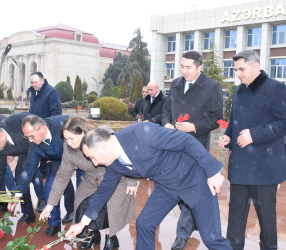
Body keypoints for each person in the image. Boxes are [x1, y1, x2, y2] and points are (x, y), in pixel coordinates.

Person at [66, 124, 232, 250]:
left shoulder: (141, 133)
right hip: (166, 185)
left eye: (93, 157)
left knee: (211, 238)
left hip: (194, 179)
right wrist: (83, 223)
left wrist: (212, 172)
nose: (95, 164)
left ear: (103, 145)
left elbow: (186, 141)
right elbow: (103, 192)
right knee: (145, 224)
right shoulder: (114, 163)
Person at [218, 50, 286, 250]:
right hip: (240, 166)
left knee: (266, 218)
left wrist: (254, 135)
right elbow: (234, 122)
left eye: (241, 68)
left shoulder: (277, 88)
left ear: (256, 66)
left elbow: (283, 122)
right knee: (235, 216)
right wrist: (228, 137)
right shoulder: (239, 91)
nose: (238, 73)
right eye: (236, 69)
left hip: (265, 167)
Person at [39, 116, 137, 249]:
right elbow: (62, 175)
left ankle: (111, 236)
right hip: (91, 180)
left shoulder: (102, 134)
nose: (68, 143)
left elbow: (125, 153)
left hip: (116, 178)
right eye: (65, 139)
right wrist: (50, 205)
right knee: (82, 203)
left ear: (83, 133)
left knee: (108, 205)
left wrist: (131, 179)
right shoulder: (69, 148)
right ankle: (92, 234)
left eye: (71, 138)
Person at [161, 50, 223, 250]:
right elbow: (166, 109)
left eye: (188, 67)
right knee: (175, 187)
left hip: (196, 147)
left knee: (190, 188)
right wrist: (167, 123)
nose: (184, 71)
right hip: (173, 146)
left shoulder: (212, 86)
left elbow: (216, 117)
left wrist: (194, 126)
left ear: (199, 67)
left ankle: (182, 234)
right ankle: (193, 221)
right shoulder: (176, 84)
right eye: (182, 66)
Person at [7, 114, 75, 236]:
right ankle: (54, 224)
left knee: (83, 189)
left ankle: (79, 219)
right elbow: (29, 170)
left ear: (42, 128)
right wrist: (17, 194)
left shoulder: (64, 127)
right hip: (56, 159)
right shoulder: (33, 142)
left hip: (78, 156)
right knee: (51, 186)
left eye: (32, 136)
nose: (30, 141)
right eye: (27, 137)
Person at [28, 71, 76, 220]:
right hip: (39, 140)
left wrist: (49, 144)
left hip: (50, 139)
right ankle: (45, 200)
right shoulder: (34, 93)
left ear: (43, 80)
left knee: (60, 175)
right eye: (31, 82)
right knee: (44, 174)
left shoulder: (52, 92)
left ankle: (70, 208)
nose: (33, 85)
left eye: (35, 82)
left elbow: (56, 115)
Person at [0, 112, 35, 224]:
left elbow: (39, 133)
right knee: (20, 178)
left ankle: (44, 201)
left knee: (31, 177)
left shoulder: (20, 122)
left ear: (1, 136)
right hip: (23, 149)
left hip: (35, 145)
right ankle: (28, 213)